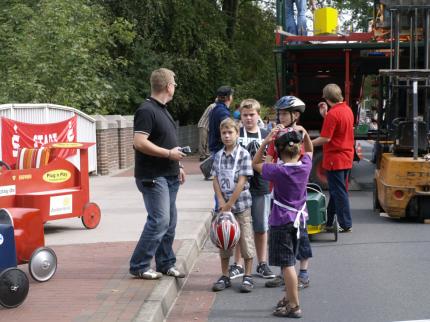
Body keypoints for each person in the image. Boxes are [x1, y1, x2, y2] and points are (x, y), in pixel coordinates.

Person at [129, 68, 186, 280]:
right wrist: (169, 154)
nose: (175, 88)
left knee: (170, 222)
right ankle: (139, 265)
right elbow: (139, 142)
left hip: (168, 174)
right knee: (160, 220)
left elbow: (165, 140)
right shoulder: (146, 110)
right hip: (153, 176)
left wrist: (177, 166)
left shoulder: (162, 110)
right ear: (169, 87)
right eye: (174, 84)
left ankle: (165, 263)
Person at [253, 126, 313, 318]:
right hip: (300, 221)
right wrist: (304, 135)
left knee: (286, 265)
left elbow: (255, 164)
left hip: (281, 221)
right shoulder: (305, 166)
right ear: (298, 150)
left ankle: (294, 306)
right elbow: (310, 150)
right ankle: (289, 298)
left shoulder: (277, 170)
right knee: (291, 263)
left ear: (279, 152)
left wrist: (266, 141)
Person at [265, 96, 313, 291]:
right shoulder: (276, 134)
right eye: (280, 113)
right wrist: (270, 142)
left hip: (294, 195)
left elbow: (307, 156)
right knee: (283, 236)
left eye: (284, 113)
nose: (281, 116)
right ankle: (285, 273)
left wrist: (305, 135)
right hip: (277, 188)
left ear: (296, 115)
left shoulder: (298, 137)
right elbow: (269, 157)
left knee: (300, 234)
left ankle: (303, 273)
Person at [230, 99, 275, 280]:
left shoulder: (266, 134)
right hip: (239, 186)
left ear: (258, 115)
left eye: (252, 115)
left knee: (261, 226)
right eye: (245, 115)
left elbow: (271, 160)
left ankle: (262, 263)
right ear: (240, 116)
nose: (248, 118)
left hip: (261, 185)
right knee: (241, 225)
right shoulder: (235, 134)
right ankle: (238, 264)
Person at [211, 118, 256, 293]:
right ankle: (225, 275)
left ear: (237, 134)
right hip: (223, 207)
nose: (227, 136)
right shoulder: (218, 156)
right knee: (224, 240)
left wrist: (230, 203)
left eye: (230, 132)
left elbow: (242, 180)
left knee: (245, 239)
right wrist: (222, 201)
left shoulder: (244, 154)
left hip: (241, 205)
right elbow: (215, 179)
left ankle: (248, 275)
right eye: (224, 133)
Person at [312, 83, 354, 232]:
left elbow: (325, 138)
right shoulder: (347, 110)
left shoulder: (333, 114)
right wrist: (325, 114)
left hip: (334, 159)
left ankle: (346, 223)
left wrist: (308, 144)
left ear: (327, 98)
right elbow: (337, 129)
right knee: (338, 191)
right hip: (347, 156)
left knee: (338, 192)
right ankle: (329, 221)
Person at [208, 86, 234, 155]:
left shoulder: (215, 109)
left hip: (215, 148)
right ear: (228, 97)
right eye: (231, 95)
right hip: (220, 149)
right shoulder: (223, 112)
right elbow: (228, 128)